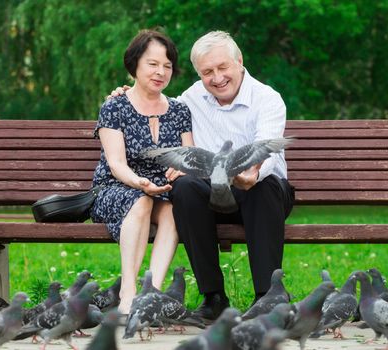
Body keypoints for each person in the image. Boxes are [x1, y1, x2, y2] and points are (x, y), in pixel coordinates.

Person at [110, 31, 294, 321]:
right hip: (216, 196)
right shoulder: (192, 98)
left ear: (239, 62)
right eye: (207, 72)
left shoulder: (267, 99)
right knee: (184, 187)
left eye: (223, 68)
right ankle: (213, 296)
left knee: (264, 184)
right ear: (199, 73)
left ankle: (268, 296)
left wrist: (252, 172)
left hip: (263, 196)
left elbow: (266, 153)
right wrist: (125, 93)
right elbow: (153, 101)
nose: (217, 78)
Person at [91, 29, 193, 314]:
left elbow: (188, 156)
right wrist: (139, 182)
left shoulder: (180, 110)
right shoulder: (115, 106)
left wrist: (180, 169)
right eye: (153, 64)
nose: (161, 72)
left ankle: (151, 295)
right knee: (141, 200)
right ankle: (128, 294)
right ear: (134, 64)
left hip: (162, 191)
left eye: (167, 66)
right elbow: (116, 163)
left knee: (174, 211)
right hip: (116, 188)